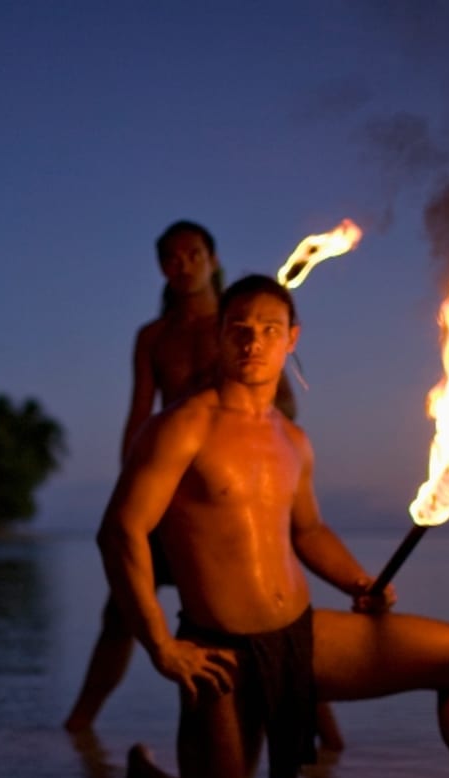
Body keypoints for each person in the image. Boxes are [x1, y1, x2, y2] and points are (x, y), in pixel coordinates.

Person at [99, 273, 449, 778]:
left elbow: (309, 531)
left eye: (269, 329)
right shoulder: (182, 426)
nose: (253, 342)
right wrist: (160, 644)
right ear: (220, 337)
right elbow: (120, 532)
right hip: (220, 655)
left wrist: (358, 582)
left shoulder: (292, 439)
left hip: (300, 636)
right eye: (239, 328)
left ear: (291, 339)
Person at [64, 221, 341, 750]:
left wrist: (230, 422)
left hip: (230, 490)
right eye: (172, 258)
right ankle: (78, 728)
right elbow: (140, 412)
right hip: (169, 486)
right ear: (162, 269)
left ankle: (329, 744)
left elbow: (282, 404)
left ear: (212, 260)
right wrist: (134, 485)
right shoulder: (154, 336)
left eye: (193, 254)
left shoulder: (243, 325)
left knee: (278, 617)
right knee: (121, 608)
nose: (184, 264)